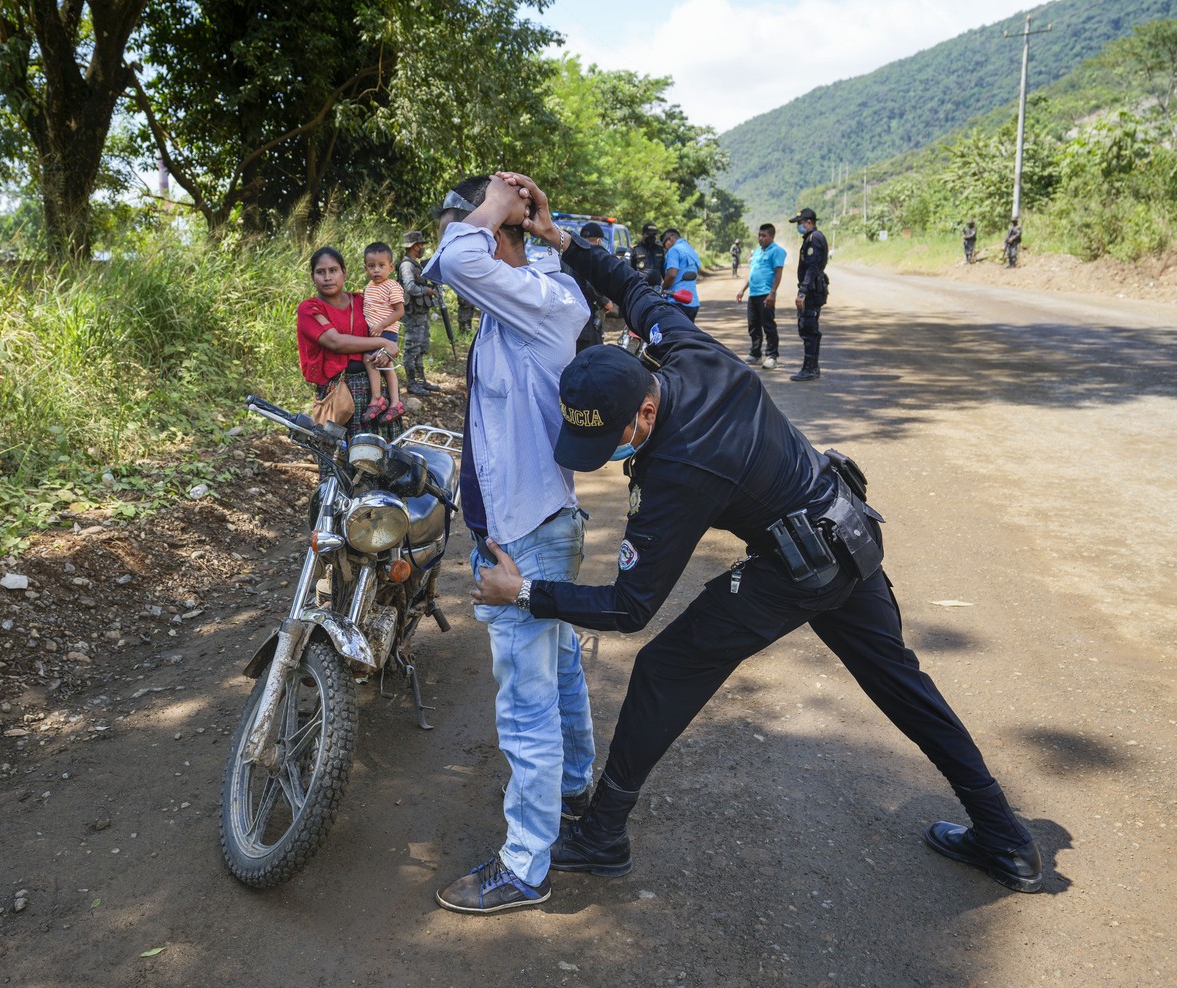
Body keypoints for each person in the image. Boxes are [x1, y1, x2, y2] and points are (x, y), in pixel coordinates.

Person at [470, 171, 1044, 897]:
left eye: (609, 441)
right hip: (847, 531)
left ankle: (604, 834)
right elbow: (634, 287)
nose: (604, 458)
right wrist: (560, 240)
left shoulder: (677, 468)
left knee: (663, 666)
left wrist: (526, 594)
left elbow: (630, 608)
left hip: (796, 565)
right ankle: (1007, 838)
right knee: (903, 687)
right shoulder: (686, 351)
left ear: (642, 418)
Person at [423, 174, 595, 914]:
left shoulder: (538, 309)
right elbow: (466, 264)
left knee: (526, 706)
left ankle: (525, 864)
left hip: (526, 533)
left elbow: (455, 261)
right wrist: (538, 227)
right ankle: (574, 783)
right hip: (531, 522)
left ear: (495, 235)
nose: (456, 239)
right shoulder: (526, 301)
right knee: (557, 671)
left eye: (469, 224)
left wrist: (498, 208)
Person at [295, 247, 403, 441]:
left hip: (376, 392)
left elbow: (390, 323)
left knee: (381, 459)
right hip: (337, 395)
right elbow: (336, 342)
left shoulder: (364, 301)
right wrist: (383, 342)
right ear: (313, 276)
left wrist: (387, 349)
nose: (327, 277)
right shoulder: (310, 309)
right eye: (321, 272)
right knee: (339, 458)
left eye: (333, 270)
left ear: (344, 272)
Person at [361, 242, 406, 423]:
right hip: (375, 335)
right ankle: (392, 402)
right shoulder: (369, 287)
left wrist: (380, 325)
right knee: (383, 365)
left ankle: (380, 399)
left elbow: (399, 311)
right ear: (366, 268)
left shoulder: (392, 286)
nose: (376, 270)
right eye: (371, 266)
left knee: (372, 361)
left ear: (391, 267)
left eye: (381, 266)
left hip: (386, 333)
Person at [734, 223, 786, 369]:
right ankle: (755, 353)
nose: (761, 238)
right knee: (753, 325)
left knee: (768, 325)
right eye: (759, 235)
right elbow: (751, 273)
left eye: (764, 235)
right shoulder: (757, 251)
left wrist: (772, 293)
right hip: (754, 293)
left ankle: (771, 356)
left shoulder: (777, 251)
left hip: (766, 294)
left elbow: (778, 273)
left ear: (772, 236)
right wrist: (742, 290)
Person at [397, 230, 441, 395]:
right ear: (415, 246)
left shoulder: (415, 264)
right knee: (412, 348)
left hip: (420, 312)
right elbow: (409, 287)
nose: (422, 247)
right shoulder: (407, 265)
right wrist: (427, 290)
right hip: (413, 314)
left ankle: (421, 381)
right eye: (421, 245)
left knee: (421, 347)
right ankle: (411, 383)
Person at [789, 207, 828, 382]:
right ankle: (812, 367)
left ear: (809, 222)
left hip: (812, 290)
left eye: (800, 223)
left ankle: (810, 369)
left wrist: (803, 291)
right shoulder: (812, 238)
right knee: (807, 327)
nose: (799, 226)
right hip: (812, 288)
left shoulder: (814, 239)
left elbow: (812, 267)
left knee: (809, 328)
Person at [575, 222, 614, 351]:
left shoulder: (567, 255)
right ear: (598, 241)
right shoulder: (591, 257)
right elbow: (589, 284)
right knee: (592, 357)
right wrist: (605, 302)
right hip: (586, 319)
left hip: (566, 319)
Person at [661, 228, 702, 322]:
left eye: (664, 244)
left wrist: (662, 288)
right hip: (692, 302)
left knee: (673, 334)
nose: (665, 248)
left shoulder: (674, 250)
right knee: (687, 334)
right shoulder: (690, 249)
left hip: (677, 302)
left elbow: (672, 274)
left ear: (670, 238)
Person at [636, 223, 667, 291]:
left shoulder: (660, 249)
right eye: (649, 234)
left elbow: (663, 270)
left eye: (654, 235)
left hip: (657, 288)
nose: (651, 237)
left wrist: (666, 285)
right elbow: (629, 269)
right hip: (640, 287)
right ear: (643, 234)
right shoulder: (635, 249)